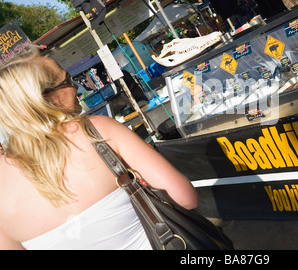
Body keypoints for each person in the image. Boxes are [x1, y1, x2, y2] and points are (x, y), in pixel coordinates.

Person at [0, 46, 198, 250]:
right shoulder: (97, 131)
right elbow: (185, 198)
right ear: (46, 97)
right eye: (67, 80)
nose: (76, 86)